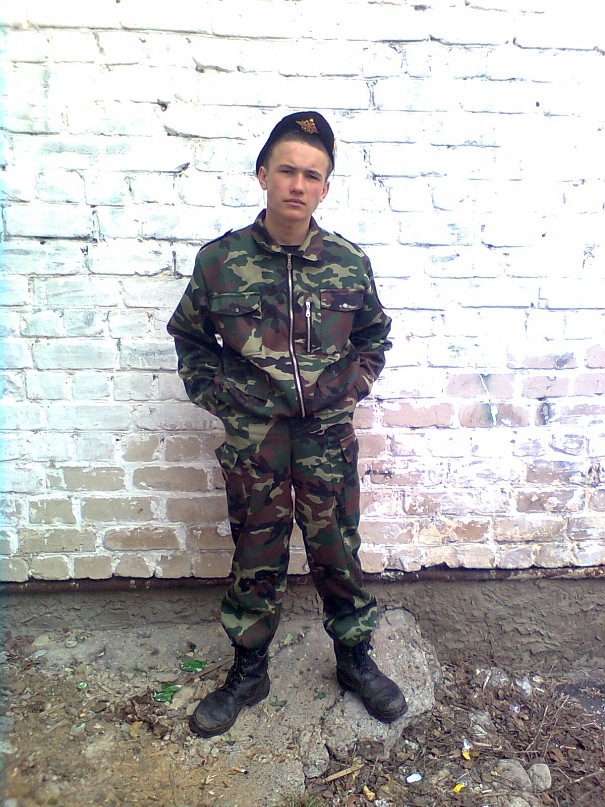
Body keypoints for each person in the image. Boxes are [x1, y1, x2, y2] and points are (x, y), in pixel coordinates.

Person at [167, 111, 407, 738]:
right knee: (256, 552)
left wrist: (349, 389)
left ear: (325, 188)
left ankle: (355, 659)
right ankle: (249, 671)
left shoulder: (348, 263)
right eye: (287, 171)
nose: (298, 185)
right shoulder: (221, 262)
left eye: (312, 175)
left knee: (337, 550)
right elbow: (190, 338)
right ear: (263, 175)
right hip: (257, 441)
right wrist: (225, 400)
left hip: (326, 437)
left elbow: (374, 336)